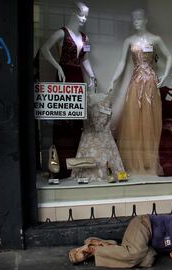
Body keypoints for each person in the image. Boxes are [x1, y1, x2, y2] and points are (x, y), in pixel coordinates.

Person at [108, 9, 172, 175]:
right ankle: (135, 161)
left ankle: (149, 160)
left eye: (139, 18)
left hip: (151, 82)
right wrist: (113, 80)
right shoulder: (129, 40)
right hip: (136, 82)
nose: (136, 21)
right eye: (133, 18)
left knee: (151, 121)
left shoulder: (155, 39)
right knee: (134, 122)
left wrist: (165, 74)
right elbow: (122, 63)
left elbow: (169, 56)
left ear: (146, 20)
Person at [40, 2, 97, 178]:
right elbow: (44, 49)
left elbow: (84, 59)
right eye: (81, 14)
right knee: (63, 122)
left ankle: (76, 167)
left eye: (86, 15)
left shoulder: (85, 38)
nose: (84, 19)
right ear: (73, 12)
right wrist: (57, 67)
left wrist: (92, 76)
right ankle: (59, 168)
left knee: (78, 124)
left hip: (78, 78)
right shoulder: (62, 33)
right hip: (65, 78)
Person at [68, 211, 172, 268]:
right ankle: (92, 249)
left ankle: (103, 246)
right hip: (146, 225)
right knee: (133, 254)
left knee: (146, 261)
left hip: (150, 246)